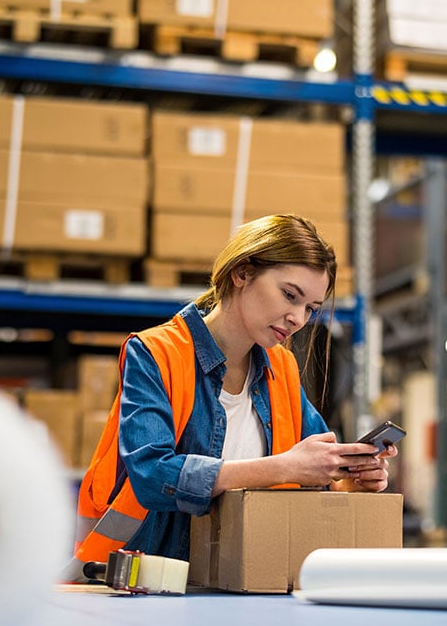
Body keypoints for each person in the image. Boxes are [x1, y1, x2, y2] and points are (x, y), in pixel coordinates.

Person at [66, 214, 398, 578]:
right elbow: (151, 475)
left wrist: (349, 478)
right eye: (289, 295)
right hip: (142, 581)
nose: (298, 318)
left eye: (310, 308)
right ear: (242, 273)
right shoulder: (154, 353)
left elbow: (313, 470)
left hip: (242, 582)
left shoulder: (280, 368)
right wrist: (283, 467)